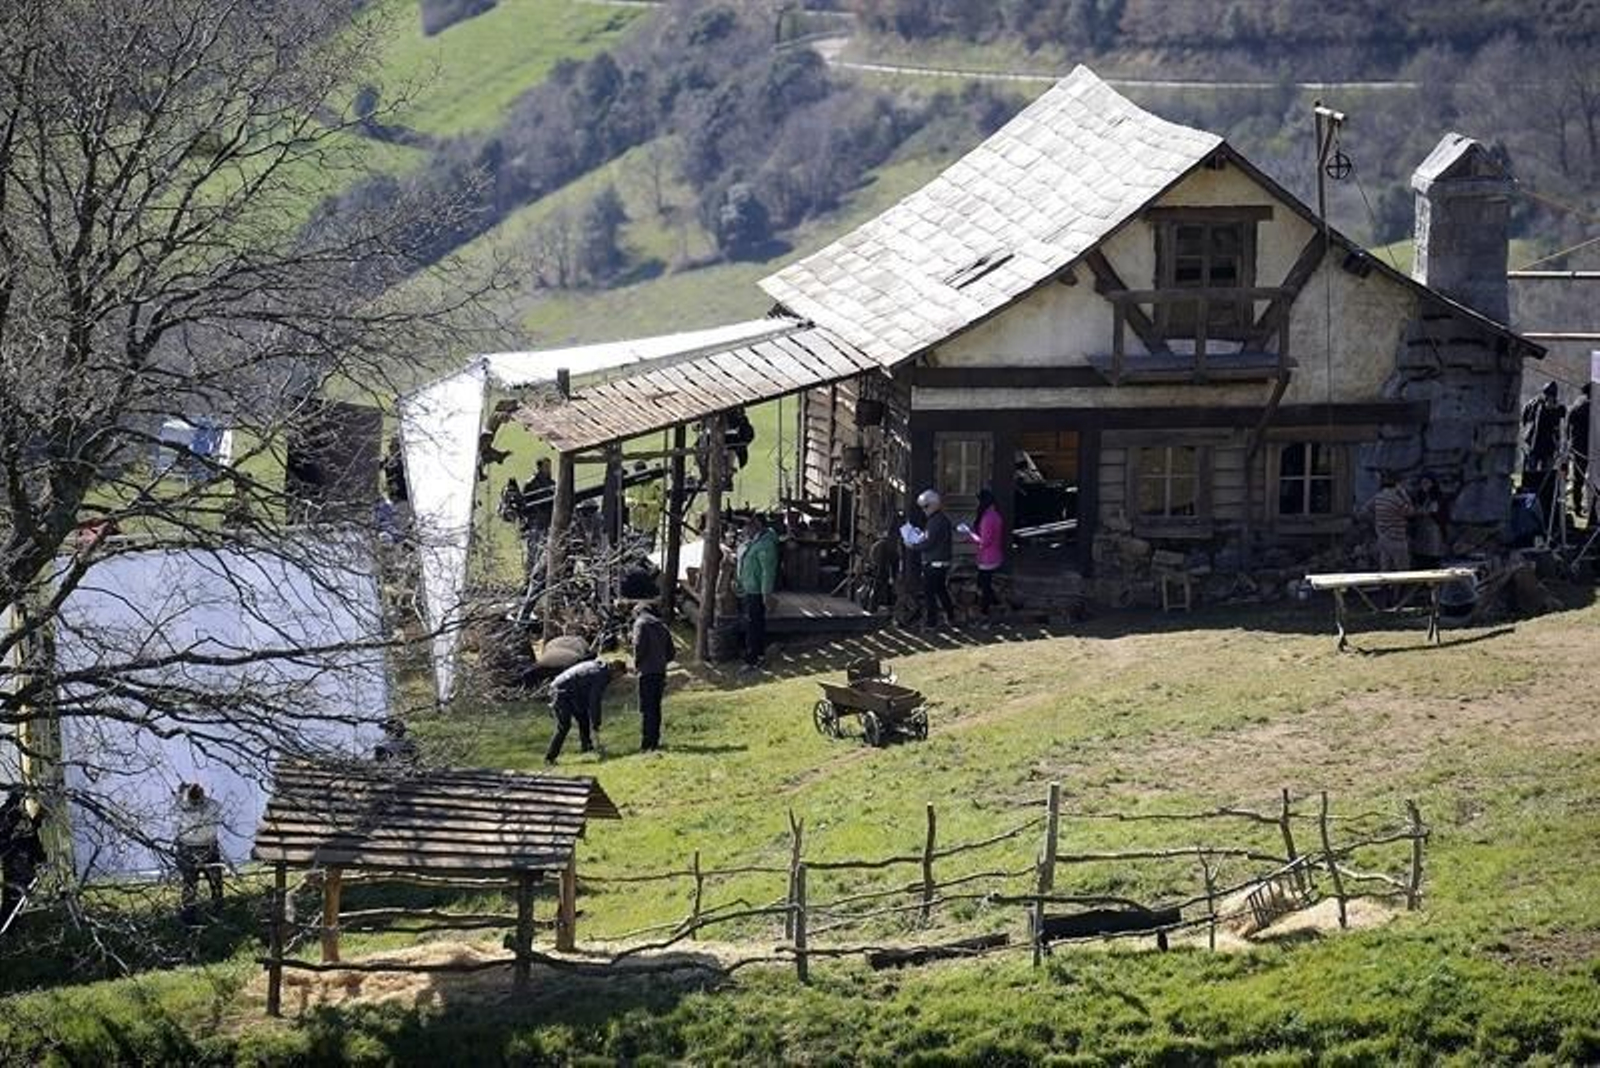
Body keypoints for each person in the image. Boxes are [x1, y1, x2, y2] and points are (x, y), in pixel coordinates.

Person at [545, 658, 626, 765]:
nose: (617, 679)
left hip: (570, 691)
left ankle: (587, 747)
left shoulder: (600, 667)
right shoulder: (601, 676)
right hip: (560, 691)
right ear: (616, 670)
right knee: (564, 726)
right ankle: (549, 758)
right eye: (619, 676)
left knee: (583, 717)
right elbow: (594, 701)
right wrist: (596, 723)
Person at [173, 782, 224, 923]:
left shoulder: (181, 809)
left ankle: (188, 916)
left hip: (188, 850)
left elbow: (175, 817)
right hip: (209, 849)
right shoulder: (213, 806)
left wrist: (180, 795)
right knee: (216, 883)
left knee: (189, 884)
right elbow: (219, 808)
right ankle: (218, 911)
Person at [735, 515, 779, 671]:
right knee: (752, 623)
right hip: (748, 588)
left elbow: (768, 572)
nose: (745, 529)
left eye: (748, 526)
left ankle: (752, 658)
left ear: (757, 526)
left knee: (754, 624)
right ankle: (755, 653)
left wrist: (766, 594)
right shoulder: (754, 541)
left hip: (756, 591)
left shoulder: (766, 545)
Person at [631, 603, 676, 751]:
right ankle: (655, 741)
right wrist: (661, 661)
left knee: (646, 708)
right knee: (656, 708)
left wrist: (637, 663)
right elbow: (671, 652)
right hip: (660, 671)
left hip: (646, 671)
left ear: (637, 613)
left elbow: (639, 646)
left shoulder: (640, 624)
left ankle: (646, 743)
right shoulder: (662, 626)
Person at [1523, 381, 1566, 524]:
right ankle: (1530, 498)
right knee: (1532, 474)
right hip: (1537, 444)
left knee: (1545, 475)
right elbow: (1526, 419)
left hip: (1545, 445)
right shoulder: (1536, 404)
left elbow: (1558, 424)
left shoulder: (1555, 407)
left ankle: (1543, 499)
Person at [959, 488, 1006, 620]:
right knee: (985, 583)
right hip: (995, 555)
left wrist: (969, 533)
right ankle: (997, 603)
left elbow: (984, 542)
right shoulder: (996, 515)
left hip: (987, 558)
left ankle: (985, 612)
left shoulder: (987, 518)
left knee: (983, 586)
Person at [1, 790, 45, 930]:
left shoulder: (20, 816)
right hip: (14, 859)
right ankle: (7, 926)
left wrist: (40, 858)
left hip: (21, 858)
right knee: (16, 895)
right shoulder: (9, 815)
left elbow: (32, 838)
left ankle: (11, 924)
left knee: (18, 896)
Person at [917, 488, 957, 628]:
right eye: (922, 507)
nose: (924, 510)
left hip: (934, 562)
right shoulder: (941, 519)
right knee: (941, 590)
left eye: (926, 506)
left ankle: (931, 622)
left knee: (930, 593)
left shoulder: (935, 521)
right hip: (941, 561)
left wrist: (912, 545)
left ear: (934, 504)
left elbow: (929, 543)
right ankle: (950, 617)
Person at [1361, 473, 1415, 573]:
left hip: (1382, 536)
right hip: (1397, 538)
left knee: (1385, 568)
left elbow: (1364, 510)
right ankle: (1399, 589)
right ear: (1398, 484)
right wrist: (1405, 495)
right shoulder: (1396, 499)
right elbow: (1411, 512)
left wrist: (1376, 521)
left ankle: (1386, 588)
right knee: (1403, 570)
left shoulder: (1378, 497)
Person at [1409, 474, 1449, 569]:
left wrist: (1429, 511)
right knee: (1420, 557)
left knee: (1432, 556)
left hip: (1433, 529)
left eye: (1427, 483)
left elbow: (1440, 513)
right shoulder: (1418, 497)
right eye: (1423, 483)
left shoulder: (1438, 497)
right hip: (1420, 531)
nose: (1425, 485)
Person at [1570, 383, 1591, 523]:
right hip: (1587, 447)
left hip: (1578, 447)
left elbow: (1568, 427)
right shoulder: (1590, 407)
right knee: (1583, 479)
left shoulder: (1576, 405)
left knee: (1578, 479)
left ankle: (1577, 505)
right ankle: (1583, 506)